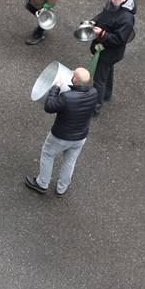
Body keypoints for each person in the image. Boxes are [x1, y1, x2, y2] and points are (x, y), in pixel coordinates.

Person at [25, 66, 100, 196]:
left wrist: (56, 88)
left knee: (48, 154)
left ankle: (42, 183)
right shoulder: (94, 92)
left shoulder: (66, 97)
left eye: (73, 74)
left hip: (61, 136)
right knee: (70, 161)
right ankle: (62, 188)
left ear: (75, 80)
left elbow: (49, 107)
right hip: (80, 136)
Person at [90, 0, 136, 107]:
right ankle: (106, 95)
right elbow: (103, 14)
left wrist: (102, 33)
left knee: (99, 81)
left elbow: (119, 39)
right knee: (107, 73)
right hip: (107, 51)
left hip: (109, 52)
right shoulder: (114, 4)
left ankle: (96, 107)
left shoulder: (127, 18)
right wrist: (94, 21)